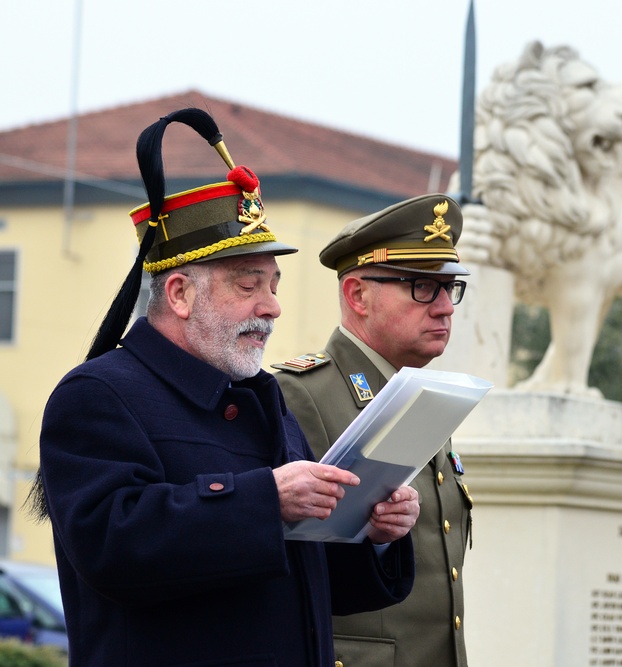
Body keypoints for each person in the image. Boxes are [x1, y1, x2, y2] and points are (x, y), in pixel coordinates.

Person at [32, 108, 419, 666]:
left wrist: (373, 530)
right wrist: (268, 499)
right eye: (248, 284)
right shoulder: (97, 395)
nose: (273, 306)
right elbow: (112, 547)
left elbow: (316, 586)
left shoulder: (266, 399)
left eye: (274, 284)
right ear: (181, 295)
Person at [274, 193, 474, 666]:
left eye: (451, 288)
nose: (445, 307)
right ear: (358, 295)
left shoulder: (421, 397)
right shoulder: (301, 393)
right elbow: (287, 555)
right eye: (423, 288)